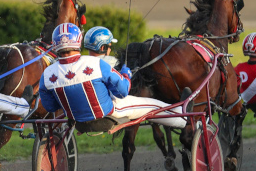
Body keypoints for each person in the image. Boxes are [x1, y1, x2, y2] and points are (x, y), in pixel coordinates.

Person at [39, 23, 184, 130]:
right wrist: (126, 75)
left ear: (55, 43)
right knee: (154, 105)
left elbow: (51, 106)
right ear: (78, 41)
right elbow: (122, 91)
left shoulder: (46, 75)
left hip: (77, 122)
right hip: (108, 115)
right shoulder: (96, 64)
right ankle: (184, 119)